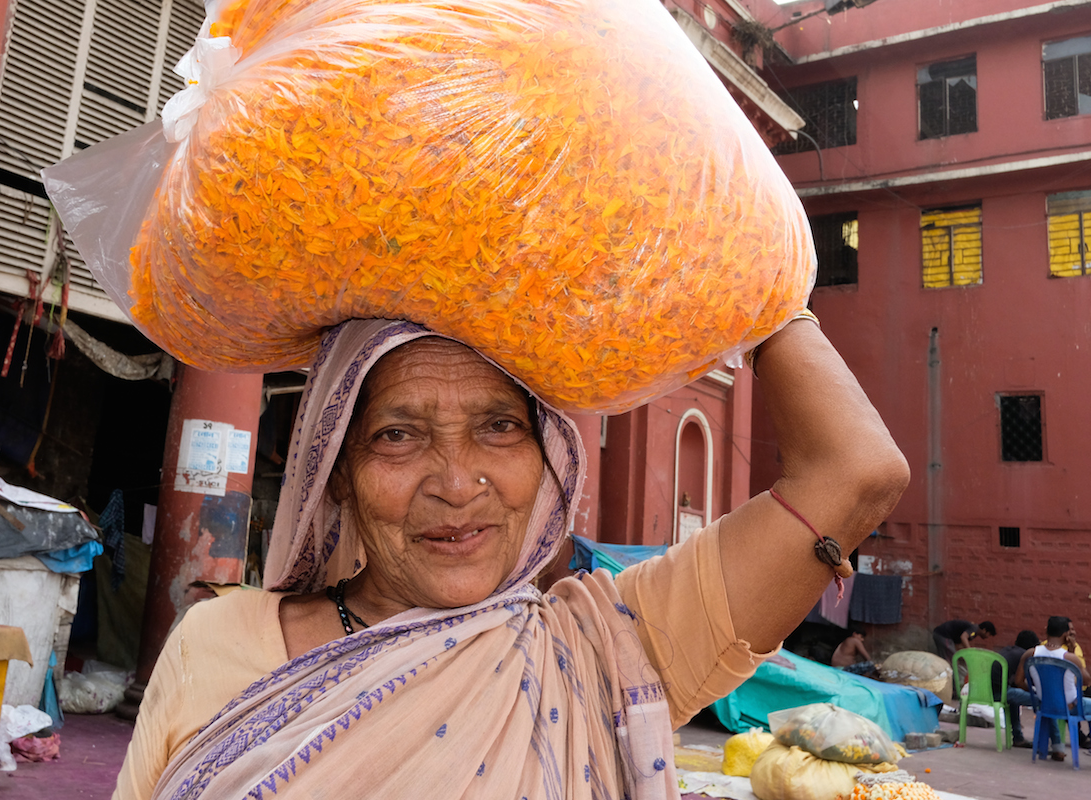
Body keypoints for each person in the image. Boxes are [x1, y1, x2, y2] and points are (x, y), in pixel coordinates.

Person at [113, 316, 909, 799]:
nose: (458, 485)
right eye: (398, 436)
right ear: (337, 472)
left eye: (499, 428)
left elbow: (858, 472)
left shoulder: (609, 646)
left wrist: (743, 262)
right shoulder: (219, 642)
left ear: (550, 462)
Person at [1015, 616, 1091, 760]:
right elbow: (1087, 680)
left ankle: (1057, 748)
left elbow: (1019, 681)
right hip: (1071, 705)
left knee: (1051, 706)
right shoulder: (1070, 658)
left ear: (1046, 631)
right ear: (1066, 635)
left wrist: (1038, 692)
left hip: (1045, 704)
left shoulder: (1030, 654)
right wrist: (1072, 649)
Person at [996, 630, 1063, 757]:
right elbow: (1026, 682)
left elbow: (1016, 682)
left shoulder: (1008, 650)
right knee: (1044, 702)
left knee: (1014, 699)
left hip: (991, 691)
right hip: (1000, 692)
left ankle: (1018, 737)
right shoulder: (1024, 656)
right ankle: (1057, 746)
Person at [932, 619, 996, 663]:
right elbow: (963, 637)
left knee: (952, 660)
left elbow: (957, 645)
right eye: (989, 634)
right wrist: (970, 652)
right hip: (943, 635)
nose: (988, 637)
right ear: (984, 630)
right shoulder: (974, 629)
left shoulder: (973, 633)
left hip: (940, 635)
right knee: (952, 661)